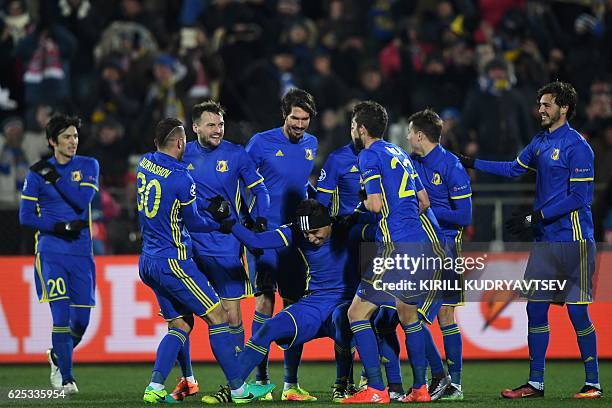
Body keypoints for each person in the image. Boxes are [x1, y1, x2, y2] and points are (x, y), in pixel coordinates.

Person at [456, 81, 602, 399]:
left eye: (546, 105)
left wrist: (536, 217)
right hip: (545, 242)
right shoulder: (538, 142)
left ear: (564, 108)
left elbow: (580, 196)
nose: (540, 110)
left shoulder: (578, 146)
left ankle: (593, 382)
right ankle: (535, 383)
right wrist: (470, 163)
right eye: (539, 105)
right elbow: (512, 169)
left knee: (578, 312)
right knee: (535, 310)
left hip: (573, 241)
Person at [136, 117, 274, 403]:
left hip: (147, 261)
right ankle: (238, 389)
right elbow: (195, 223)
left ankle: (155, 387)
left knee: (181, 325)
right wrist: (221, 223)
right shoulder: (180, 177)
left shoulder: (144, 163)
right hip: (173, 261)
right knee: (219, 317)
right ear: (180, 142)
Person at [341, 101, 441, 404]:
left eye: (353, 126)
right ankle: (420, 389)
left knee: (356, 314)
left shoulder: (368, 155)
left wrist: (359, 207)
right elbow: (424, 200)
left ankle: (375, 389)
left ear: (361, 128)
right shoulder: (398, 152)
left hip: (394, 246)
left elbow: (373, 204)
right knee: (409, 317)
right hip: (419, 244)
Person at [228, 199, 363, 403]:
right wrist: (228, 222)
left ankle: (344, 384)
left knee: (344, 319)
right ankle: (234, 387)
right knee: (269, 328)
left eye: (315, 231)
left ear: (328, 223)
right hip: (314, 304)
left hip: (345, 303)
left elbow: (383, 226)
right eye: (306, 232)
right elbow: (256, 241)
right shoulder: (297, 232)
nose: (310, 237)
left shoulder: (349, 229)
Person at [182, 100, 270, 403]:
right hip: (190, 246)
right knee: (180, 319)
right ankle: (185, 379)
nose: (218, 130)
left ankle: (237, 383)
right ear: (195, 128)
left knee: (232, 316)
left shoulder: (236, 154)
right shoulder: (183, 154)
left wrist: (260, 218)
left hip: (225, 247)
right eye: (211, 125)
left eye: (220, 124)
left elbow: (260, 190)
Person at [245, 88, 318, 401]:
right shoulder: (260, 143)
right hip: (264, 237)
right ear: (284, 115)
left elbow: (300, 184)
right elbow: (239, 180)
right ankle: (260, 380)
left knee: (294, 308)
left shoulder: (311, 145)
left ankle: (290, 384)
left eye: (305, 119)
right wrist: (247, 222)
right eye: (294, 118)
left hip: (295, 241)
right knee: (264, 302)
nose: (300, 124)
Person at [19, 114, 99, 394]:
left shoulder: (89, 165)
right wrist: (57, 227)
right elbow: (25, 216)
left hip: (81, 253)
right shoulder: (36, 173)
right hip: (51, 251)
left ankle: (56, 355)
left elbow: (81, 202)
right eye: (66, 137)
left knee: (82, 321)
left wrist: (53, 177)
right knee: (61, 316)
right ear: (52, 141)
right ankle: (67, 379)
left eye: (75, 136)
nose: (73, 141)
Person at [407, 108, 473, 400]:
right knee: (428, 315)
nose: (407, 136)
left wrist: (428, 209)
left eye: (410, 131)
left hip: (445, 250)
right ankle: (443, 379)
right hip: (418, 249)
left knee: (434, 316)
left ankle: (449, 382)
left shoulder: (451, 166)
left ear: (420, 135)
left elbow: (465, 216)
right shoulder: (409, 163)